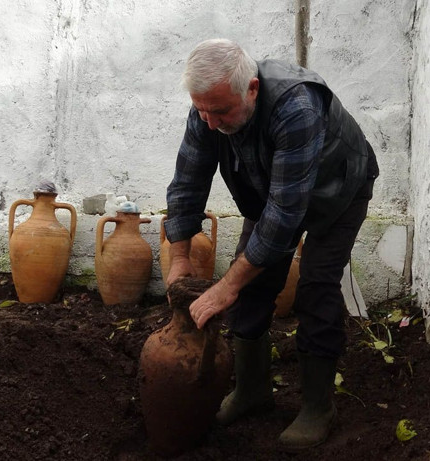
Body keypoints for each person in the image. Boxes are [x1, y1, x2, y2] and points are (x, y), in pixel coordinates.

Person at [163, 38, 380, 452]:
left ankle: (318, 407)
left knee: (315, 284)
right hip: (275, 190)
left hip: (339, 189)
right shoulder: (209, 109)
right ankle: (253, 391)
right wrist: (179, 257)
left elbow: (284, 220)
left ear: (252, 90)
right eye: (202, 110)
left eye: (220, 111)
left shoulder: (296, 106)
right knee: (253, 286)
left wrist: (226, 286)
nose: (209, 121)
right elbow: (188, 181)